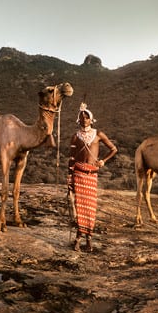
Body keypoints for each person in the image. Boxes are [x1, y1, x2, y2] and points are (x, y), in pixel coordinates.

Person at [67, 104, 118, 253]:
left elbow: (113, 149)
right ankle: (77, 239)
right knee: (80, 209)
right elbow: (71, 159)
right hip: (78, 174)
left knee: (90, 209)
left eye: (87, 117)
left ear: (91, 119)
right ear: (78, 120)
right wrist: (69, 179)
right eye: (82, 117)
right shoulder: (75, 137)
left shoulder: (98, 134)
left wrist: (103, 161)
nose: (84, 120)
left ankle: (88, 239)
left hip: (91, 176)